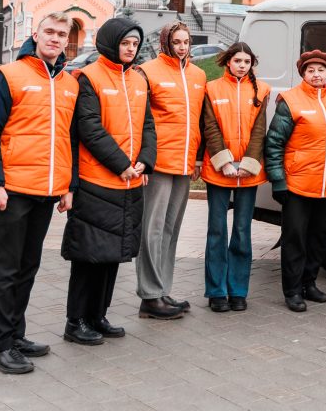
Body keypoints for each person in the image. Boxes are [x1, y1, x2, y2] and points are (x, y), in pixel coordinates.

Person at [0, 12, 77, 375]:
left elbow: (68, 140)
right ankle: (0, 346)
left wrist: (67, 186)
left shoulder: (68, 83)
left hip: (48, 191)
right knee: (5, 269)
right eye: (49, 31)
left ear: (68, 41)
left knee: (28, 267)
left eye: (61, 34)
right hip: (13, 190)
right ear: (35, 35)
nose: (54, 38)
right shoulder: (10, 75)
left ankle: (16, 335)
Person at [61, 19, 156, 345]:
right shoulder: (89, 77)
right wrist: (121, 165)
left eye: (135, 43)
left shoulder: (139, 78)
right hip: (97, 182)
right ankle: (76, 322)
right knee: (89, 257)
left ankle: (98, 316)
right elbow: (89, 128)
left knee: (113, 255)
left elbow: (147, 125)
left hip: (129, 185)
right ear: (110, 42)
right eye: (125, 42)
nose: (131, 48)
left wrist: (146, 159)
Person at [135, 22, 207, 320]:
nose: (182, 46)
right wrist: (143, 161)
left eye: (186, 41)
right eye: (176, 41)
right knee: (151, 228)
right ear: (166, 42)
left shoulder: (198, 75)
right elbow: (138, 119)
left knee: (170, 228)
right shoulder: (148, 72)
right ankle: (149, 295)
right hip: (158, 162)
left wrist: (198, 158)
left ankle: (162, 289)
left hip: (184, 161)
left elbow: (201, 119)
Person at [264, 50, 326, 312]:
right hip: (297, 184)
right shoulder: (290, 100)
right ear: (303, 74)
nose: (316, 74)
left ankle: (310, 284)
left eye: (321, 70)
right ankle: (292, 290)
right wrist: (278, 180)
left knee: (319, 238)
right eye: (311, 70)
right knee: (294, 239)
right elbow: (274, 143)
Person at [200, 42, 270, 313]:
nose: (242, 65)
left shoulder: (261, 90)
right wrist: (224, 160)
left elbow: (259, 129)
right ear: (228, 61)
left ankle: (238, 290)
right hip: (220, 170)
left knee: (242, 232)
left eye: (247, 61)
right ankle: (216, 291)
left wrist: (249, 163)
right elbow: (210, 125)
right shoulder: (211, 88)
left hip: (248, 172)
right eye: (238, 60)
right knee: (217, 231)